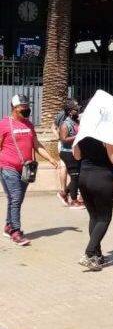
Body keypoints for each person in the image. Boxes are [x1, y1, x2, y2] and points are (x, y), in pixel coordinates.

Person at [0, 94, 57, 246]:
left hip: (26, 168)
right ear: (14, 108)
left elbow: (36, 144)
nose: (26, 109)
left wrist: (51, 159)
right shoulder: (4, 124)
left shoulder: (29, 124)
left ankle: (8, 226)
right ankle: (15, 231)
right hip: (8, 166)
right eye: (22, 106)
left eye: (27, 106)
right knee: (16, 196)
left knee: (15, 199)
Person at [74, 126, 113, 271]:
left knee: (94, 217)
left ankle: (97, 254)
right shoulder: (107, 131)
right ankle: (89, 253)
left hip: (84, 176)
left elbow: (77, 156)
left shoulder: (83, 131)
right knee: (104, 218)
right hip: (101, 178)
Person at [58, 99, 84, 209]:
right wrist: (78, 136)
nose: (77, 111)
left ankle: (63, 194)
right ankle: (74, 201)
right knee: (75, 176)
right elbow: (63, 139)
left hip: (76, 151)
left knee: (77, 176)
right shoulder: (65, 124)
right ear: (69, 111)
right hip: (67, 152)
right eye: (75, 109)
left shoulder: (76, 122)